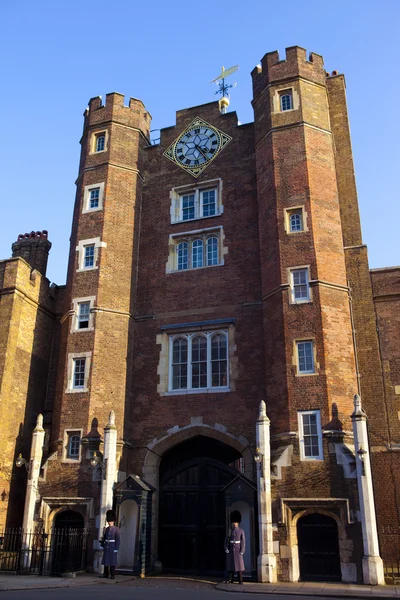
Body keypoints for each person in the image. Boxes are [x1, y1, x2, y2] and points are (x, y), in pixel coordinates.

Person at [224, 510, 245, 584]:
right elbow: (227, 540)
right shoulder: (230, 531)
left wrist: (242, 550)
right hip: (231, 550)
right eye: (234, 522)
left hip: (238, 549)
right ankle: (231, 579)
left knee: (239, 566)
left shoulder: (241, 531)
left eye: (236, 522)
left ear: (238, 522)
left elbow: (243, 541)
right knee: (231, 566)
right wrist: (226, 548)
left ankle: (240, 580)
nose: (235, 523)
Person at [101, 509, 120, 579]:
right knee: (106, 561)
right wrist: (102, 545)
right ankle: (105, 574)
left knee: (112, 562)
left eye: (111, 521)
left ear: (113, 521)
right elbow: (104, 538)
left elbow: (118, 539)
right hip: (107, 546)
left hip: (112, 547)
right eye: (109, 521)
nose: (109, 523)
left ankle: (112, 574)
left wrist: (116, 548)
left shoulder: (116, 529)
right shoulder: (106, 529)